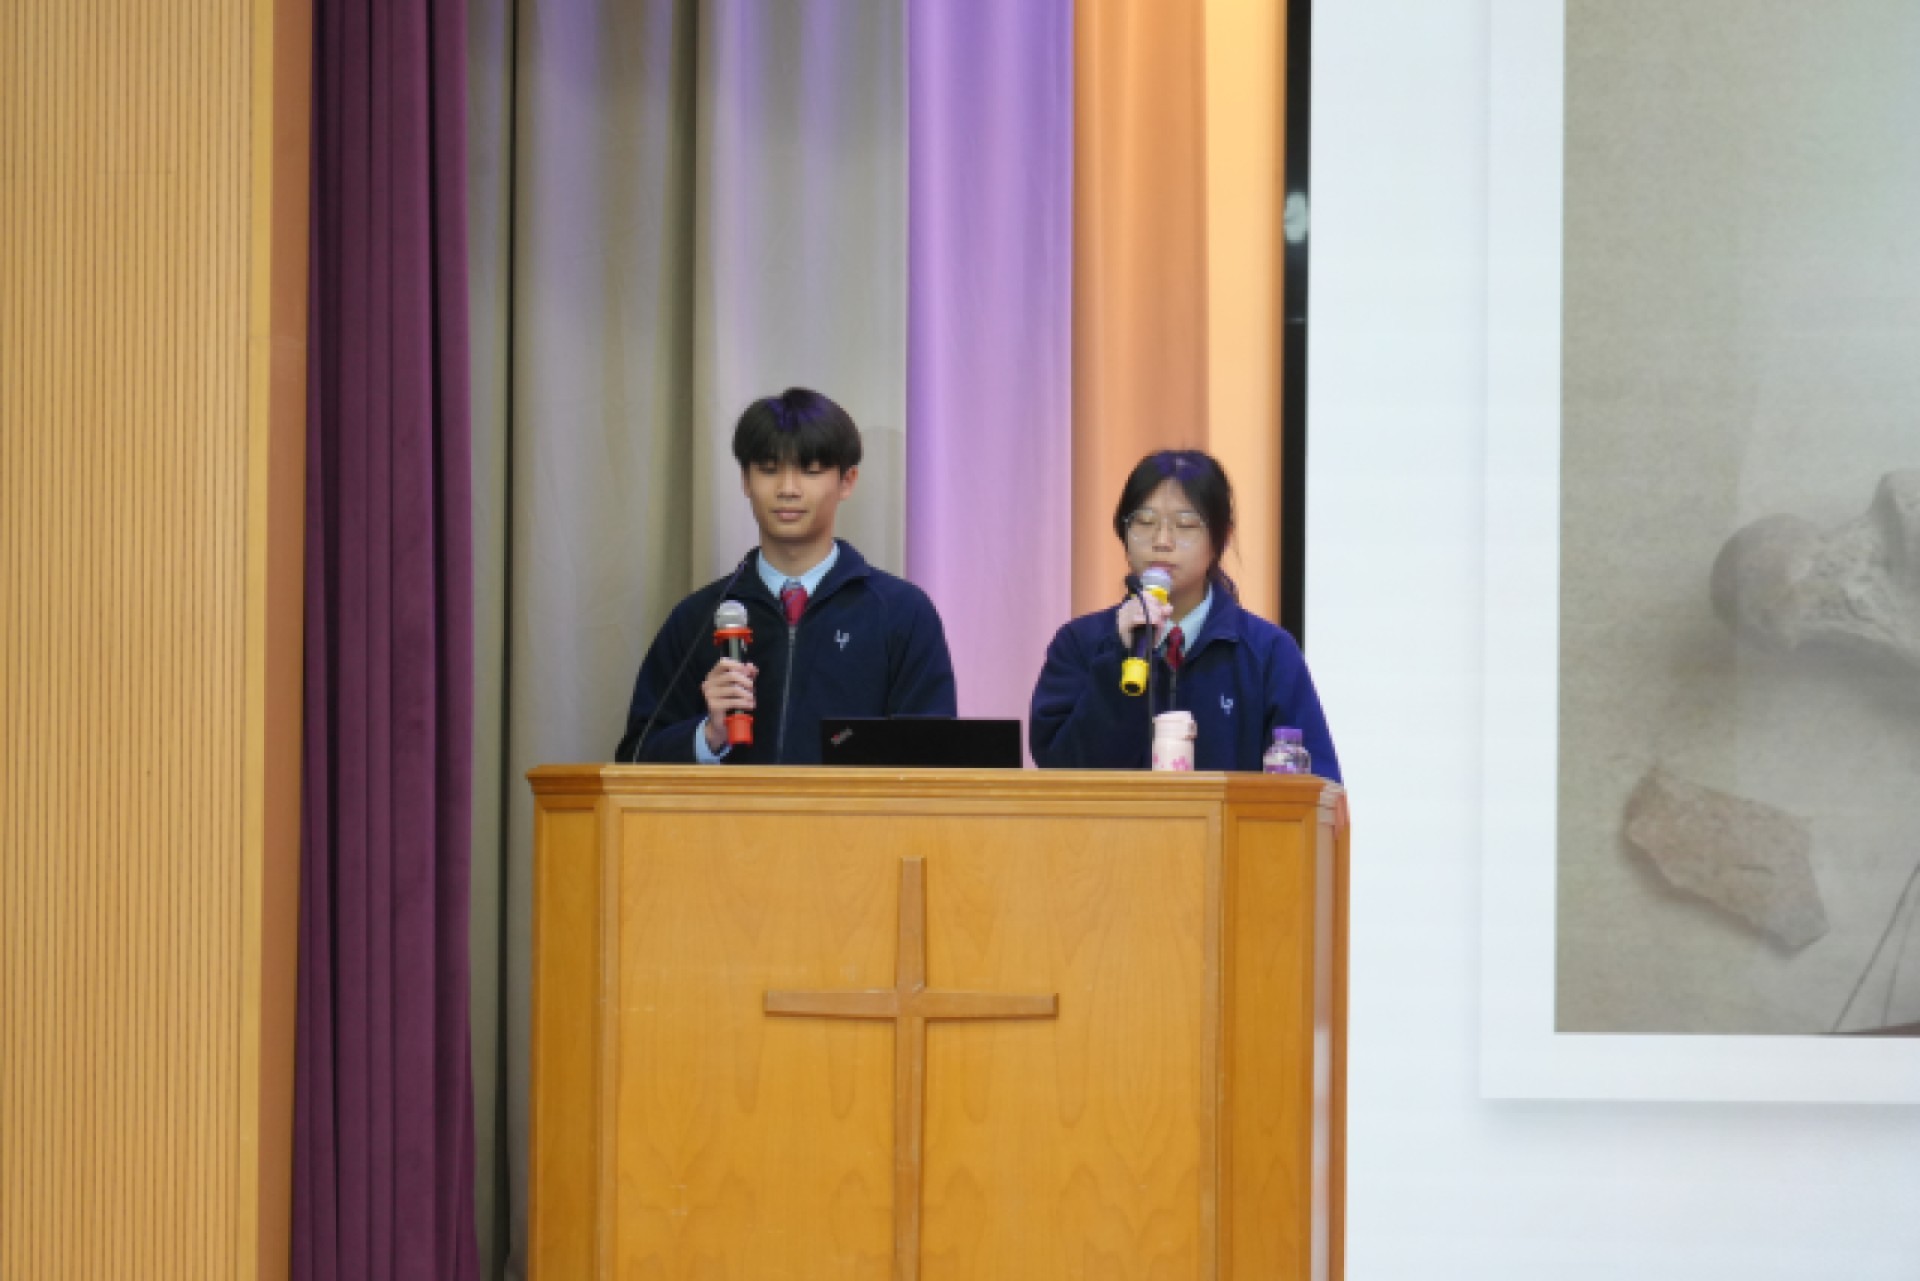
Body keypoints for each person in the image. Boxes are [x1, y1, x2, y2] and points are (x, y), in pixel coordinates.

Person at [616, 388, 957, 764]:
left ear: (847, 481)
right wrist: (708, 737)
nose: (787, 490)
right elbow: (634, 759)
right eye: (768, 470)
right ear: (746, 481)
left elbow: (934, 760)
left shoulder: (901, 613)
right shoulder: (697, 618)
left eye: (810, 471)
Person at [1029, 450, 1341, 778]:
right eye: (1144, 522)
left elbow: (1318, 784)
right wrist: (1118, 660)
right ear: (1123, 533)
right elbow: (1059, 771)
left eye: (1185, 525)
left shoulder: (1268, 652)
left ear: (1222, 539)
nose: (1162, 541)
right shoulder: (1080, 643)